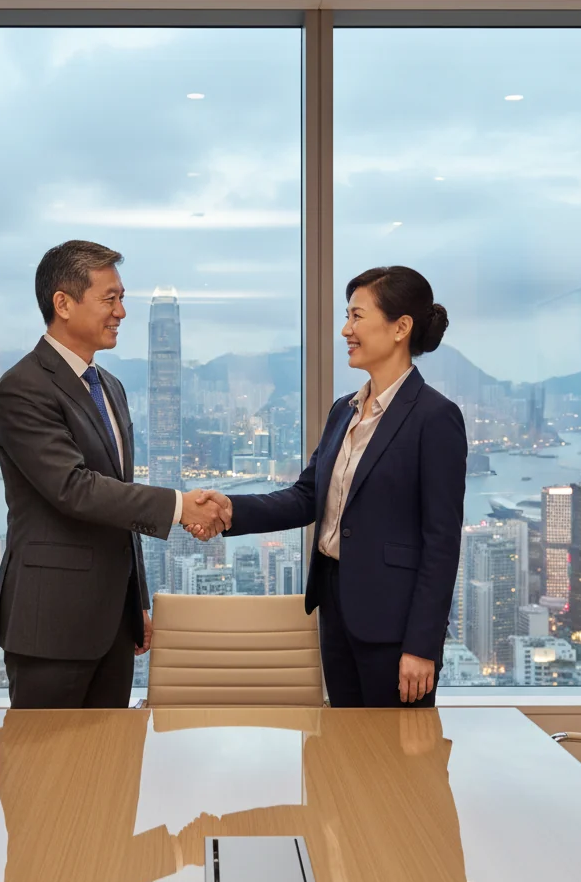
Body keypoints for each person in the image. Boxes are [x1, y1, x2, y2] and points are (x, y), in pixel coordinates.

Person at [188, 265, 466, 708]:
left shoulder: (434, 417)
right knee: (346, 751)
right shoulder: (345, 411)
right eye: (347, 316)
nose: (345, 330)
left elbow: (442, 541)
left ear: (401, 328)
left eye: (357, 316)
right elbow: (305, 497)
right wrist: (229, 509)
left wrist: (422, 645)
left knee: (395, 761)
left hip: (394, 626)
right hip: (337, 608)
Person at [0, 240, 229, 709]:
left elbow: (116, 499)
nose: (121, 311)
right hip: (50, 626)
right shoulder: (24, 387)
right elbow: (73, 489)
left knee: (110, 772)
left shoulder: (111, 388)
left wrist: (134, 601)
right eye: (110, 298)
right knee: (45, 774)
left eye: (122, 299)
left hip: (113, 626)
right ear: (63, 303)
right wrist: (180, 506)